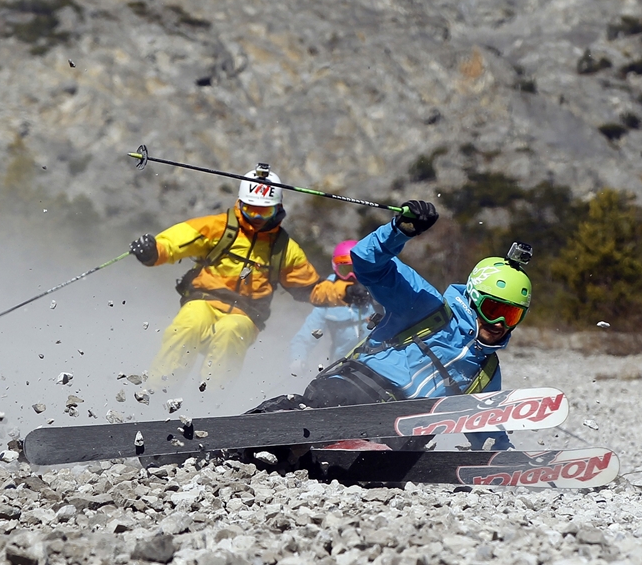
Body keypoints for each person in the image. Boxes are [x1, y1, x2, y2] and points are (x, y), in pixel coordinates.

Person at [253, 199, 533, 453]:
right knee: (316, 410)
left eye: (511, 316)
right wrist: (399, 231)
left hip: (398, 431)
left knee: (400, 438)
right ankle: (252, 430)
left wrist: (503, 455)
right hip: (353, 390)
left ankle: (354, 450)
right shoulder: (425, 304)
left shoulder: (486, 371)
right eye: (493, 309)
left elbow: (484, 422)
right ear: (472, 299)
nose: (498, 323)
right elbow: (367, 263)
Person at [130, 166, 349, 390]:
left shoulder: (283, 249)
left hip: (246, 314)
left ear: (277, 210)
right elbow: (176, 241)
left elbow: (312, 288)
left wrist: (346, 292)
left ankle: (211, 400)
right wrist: (154, 250)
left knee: (230, 331)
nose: (256, 218)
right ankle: (157, 390)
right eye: (250, 209)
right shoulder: (218, 228)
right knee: (189, 324)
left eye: (263, 212)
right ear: (240, 205)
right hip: (203, 300)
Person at [289, 240, 383, 375]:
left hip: (379, 363)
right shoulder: (328, 297)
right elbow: (306, 335)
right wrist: (298, 358)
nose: (351, 276)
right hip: (342, 367)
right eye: (345, 270)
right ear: (336, 269)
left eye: (356, 269)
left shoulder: (378, 289)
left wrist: (372, 295)